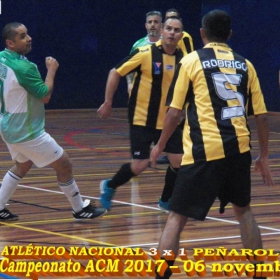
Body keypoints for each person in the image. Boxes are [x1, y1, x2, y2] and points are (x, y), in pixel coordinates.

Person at [150, 10, 274, 279]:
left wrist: (160, 145)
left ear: (202, 34)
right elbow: (261, 115)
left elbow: (174, 112)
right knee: (244, 212)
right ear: (229, 35)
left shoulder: (192, 61)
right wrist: (263, 156)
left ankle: (161, 274)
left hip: (204, 152)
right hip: (240, 151)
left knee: (176, 216)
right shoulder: (246, 65)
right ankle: (260, 274)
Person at [0, 22, 107, 221]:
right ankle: (79, 209)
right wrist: (51, 70)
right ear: (10, 43)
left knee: (22, 166)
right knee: (64, 164)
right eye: (22, 36)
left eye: (27, 34)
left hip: (8, 126)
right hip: (27, 131)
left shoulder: (2, 58)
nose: (29, 38)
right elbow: (45, 96)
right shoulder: (25, 67)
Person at [97, 17, 184, 211]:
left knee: (179, 162)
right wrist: (108, 101)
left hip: (169, 121)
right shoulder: (144, 53)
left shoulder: (183, 60)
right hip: (142, 119)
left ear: (181, 35)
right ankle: (109, 186)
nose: (171, 32)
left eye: (176, 30)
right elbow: (115, 72)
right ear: (161, 31)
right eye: (168, 28)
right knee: (140, 165)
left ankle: (165, 200)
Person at [126, 10, 162, 94]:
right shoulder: (138, 45)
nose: (152, 25)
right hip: (141, 91)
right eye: (150, 22)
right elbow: (129, 67)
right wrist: (129, 84)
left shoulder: (167, 44)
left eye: (156, 22)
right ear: (146, 25)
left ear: (161, 25)